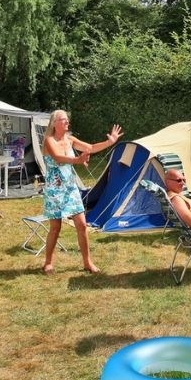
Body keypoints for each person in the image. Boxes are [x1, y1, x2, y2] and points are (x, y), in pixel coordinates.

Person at [41, 110, 123, 275]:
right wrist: (77, 160)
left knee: (82, 224)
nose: (67, 122)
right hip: (55, 190)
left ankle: (87, 262)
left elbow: (90, 148)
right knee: (55, 228)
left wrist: (111, 142)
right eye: (64, 120)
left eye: (67, 120)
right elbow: (58, 158)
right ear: (54, 123)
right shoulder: (49, 141)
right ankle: (48, 263)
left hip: (71, 189)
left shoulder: (70, 140)